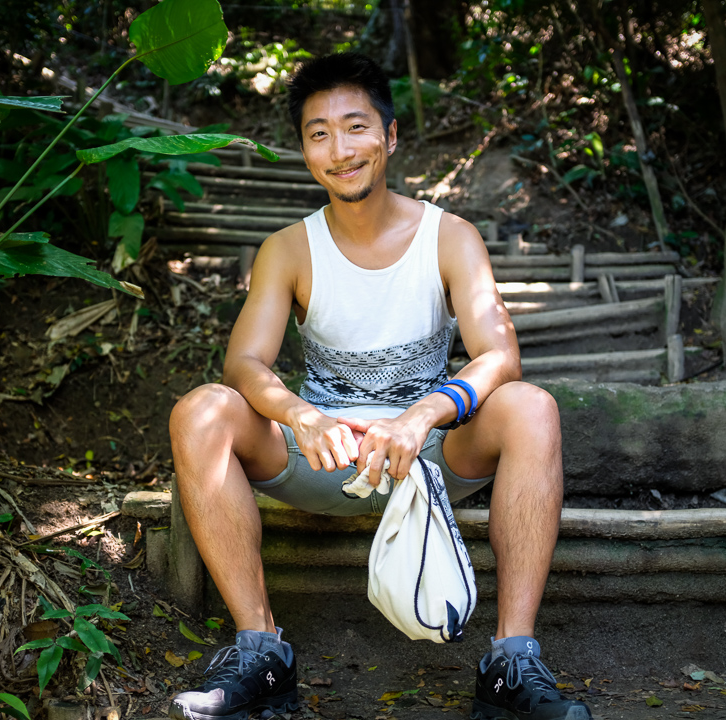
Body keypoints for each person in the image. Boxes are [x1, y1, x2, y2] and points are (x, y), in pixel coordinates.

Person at [167, 52, 592, 720]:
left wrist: (423, 415)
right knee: (202, 411)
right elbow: (244, 366)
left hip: (428, 459)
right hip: (322, 455)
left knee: (531, 407)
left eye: (355, 126)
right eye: (318, 133)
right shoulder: (288, 249)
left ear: (389, 137)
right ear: (306, 151)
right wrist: (300, 414)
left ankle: (511, 663)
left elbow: (499, 355)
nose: (340, 149)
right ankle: (262, 655)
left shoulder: (449, 238)